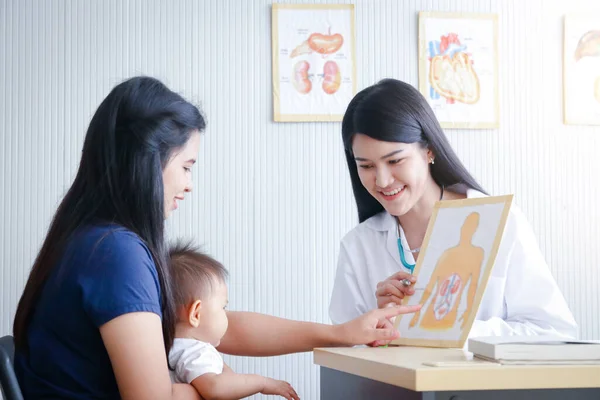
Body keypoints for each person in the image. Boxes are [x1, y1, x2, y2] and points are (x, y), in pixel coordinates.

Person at [13, 76, 421, 400]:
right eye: (187, 166)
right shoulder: (115, 253)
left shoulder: (92, 240)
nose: (189, 184)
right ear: (148, 161)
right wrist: (220, 385)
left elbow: (214, 326)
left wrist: (340, 332)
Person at [329, 78, 578, 340]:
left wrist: (442, 329)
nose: (382, 180)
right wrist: (381, 327)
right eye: (366, 166)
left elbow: (553, 332)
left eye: (395, 160)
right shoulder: (358, 245)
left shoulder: (501, 220)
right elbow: (345, 352)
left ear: (429, 150)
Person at [168, 241, 300, 400]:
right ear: (196, 314)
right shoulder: (195, 351)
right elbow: (215, 388)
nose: (226, 315)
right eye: (223, 308)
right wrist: (262, 383)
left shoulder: (170, 347)